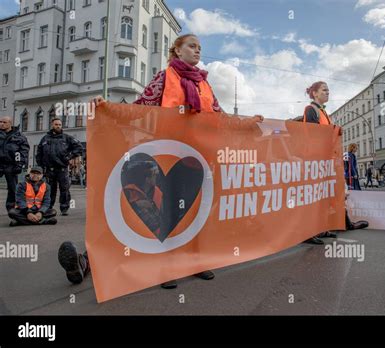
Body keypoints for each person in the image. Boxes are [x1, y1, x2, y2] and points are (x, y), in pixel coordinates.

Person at [63, 33, 263, 289]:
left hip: (199, 158)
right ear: (177, 51)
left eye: (200, 47)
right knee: (169, 211)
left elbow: (221, 118)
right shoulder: (164, 78)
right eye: (192, 46)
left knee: (199, 210)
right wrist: (108, 107)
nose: (198, 51)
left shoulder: (205, 85)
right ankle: (167, 268)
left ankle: (197, 261)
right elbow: (140, 107)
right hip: (169, 155)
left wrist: (248, 123)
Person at [300, 81, 338, 244]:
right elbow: (313, 135)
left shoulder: (324, 112)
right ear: (315, 93)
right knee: (313, 197)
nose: (327, 92)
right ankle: (307, 233)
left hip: (324, 160)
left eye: (328, 90)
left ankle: (320, 228)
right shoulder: (311, 110)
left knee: (323, 196)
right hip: (314, 160)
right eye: (324, 90)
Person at [36, 118, 83, 216]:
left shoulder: (66, 138)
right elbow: (39, 153)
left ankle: (64, 208)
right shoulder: (45, 139)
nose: (58, 126)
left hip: (62, 169)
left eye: (60, 124)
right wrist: (40, 167)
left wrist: (69, 156)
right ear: (52, 125)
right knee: (49, 189)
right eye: (56, 124)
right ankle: (48, 207)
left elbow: (79, 148)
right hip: (49, 169)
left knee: (64, 189)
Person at [0, 116, 30, 212]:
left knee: (13, 189)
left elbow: (24, 151)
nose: (1, 124)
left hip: (11, 165)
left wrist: (19, 164)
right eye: (0, 122)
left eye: (4, 122)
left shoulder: (19, 136)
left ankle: (11, 209)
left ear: (10, 123)